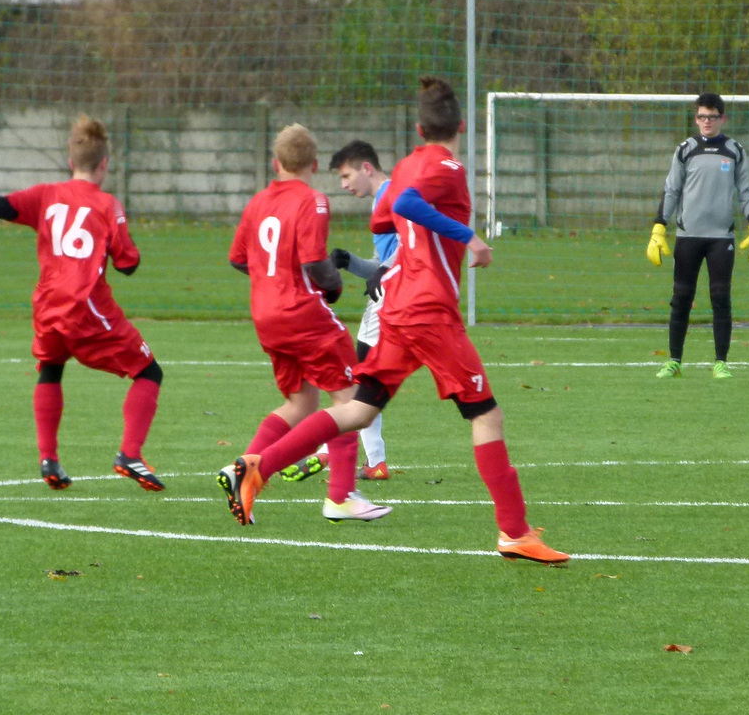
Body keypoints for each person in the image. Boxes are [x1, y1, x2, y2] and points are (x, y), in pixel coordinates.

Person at [217, 78, 568, 564]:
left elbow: (383, 217)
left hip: (397, 308)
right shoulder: (446, 165)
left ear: (419, 129)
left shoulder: (405, 166)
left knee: (360, 409)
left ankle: (258, 467)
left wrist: (416, 237)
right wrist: (468, 236)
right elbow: (402, 206)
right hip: (427, 310)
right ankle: (514, 531)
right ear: (462, 126)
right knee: (486, 414)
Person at [0, 115, 164, 492]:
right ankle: (129, 454)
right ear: (104, 164)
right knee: (148, 371)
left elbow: (0, 205)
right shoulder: (108, 205)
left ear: (70, 162)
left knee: (51, 368)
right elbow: (128, 264)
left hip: (48, 307)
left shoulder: (46, 195)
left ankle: (48, 459)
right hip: (86, 308)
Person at [229, 125, 388, 523]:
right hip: (300, 312)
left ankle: (242, 468)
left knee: (300, 402)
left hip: (265, 316)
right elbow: (315, 260)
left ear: (275, 163)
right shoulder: (312, 200)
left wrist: (270, 280)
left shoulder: (257, 202)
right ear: (315, 165)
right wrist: (333, 288)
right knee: (351, 400)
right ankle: (340, 496)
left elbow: (238, 258)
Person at [648, 93, 749, 380]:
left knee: (721, 297)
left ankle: (720, 363)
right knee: (681, 297)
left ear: (722, 118)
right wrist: (659, 227)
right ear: (696, 118)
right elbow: (671, 190)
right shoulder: (685, 149)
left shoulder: (735, 150)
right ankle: (674, 361)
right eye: (702, 116)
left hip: (720, 238)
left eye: (712, 117)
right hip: (688, 236)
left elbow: (746, 191)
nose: (707, 122)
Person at [326, 139, 398, 480]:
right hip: (397, 295)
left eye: (346, 175)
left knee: (358, 380)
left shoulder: (392, 196)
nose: (344, 185)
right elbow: (381, 263)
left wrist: (386, 270)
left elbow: (413, 244)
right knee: (368, 378)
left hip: (390, 299)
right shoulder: (381, 199)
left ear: (366, 168)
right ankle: (374, 461)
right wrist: (348, 261)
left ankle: (328, 448)